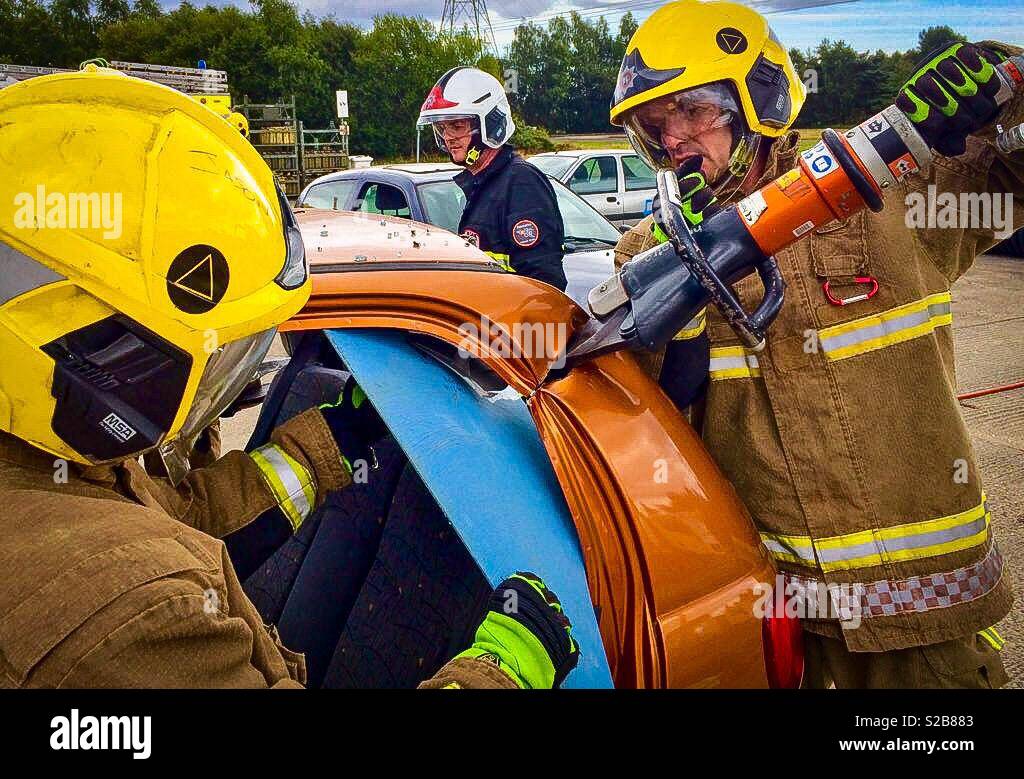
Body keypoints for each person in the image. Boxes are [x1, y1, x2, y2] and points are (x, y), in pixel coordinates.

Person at [0, 65, 576, 689]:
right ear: (107, 362)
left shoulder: (62, 470)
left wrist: (341, 432)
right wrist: (503, 674)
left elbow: (186, 513)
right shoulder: (132, 617)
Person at [609, 0, 1023, 688]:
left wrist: (997, 88)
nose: (675, 138)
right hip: (778, 635)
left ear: (760, 99)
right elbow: (625, 410)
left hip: (923, 639)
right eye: (655, 127)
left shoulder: (890, 187)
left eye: (695, 112)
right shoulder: (648, 260)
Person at [418, 67, 568, 291]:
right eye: (442, 128)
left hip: (513, 323)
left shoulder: (521, 183)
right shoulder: (482, 184)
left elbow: (543, 284)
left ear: (489, 123)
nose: (448, 137)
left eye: (457, 126)